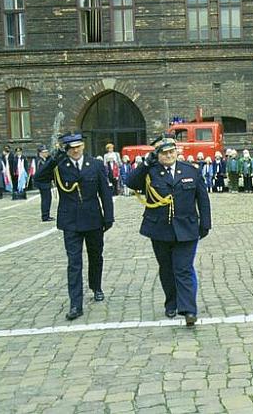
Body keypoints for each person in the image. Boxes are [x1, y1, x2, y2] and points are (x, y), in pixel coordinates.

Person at [126, 136, 211, 326]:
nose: (169, 155)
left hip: (187, 228)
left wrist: (205, 223)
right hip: (160, 229)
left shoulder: (191, 171)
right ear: (157, 155)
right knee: (166, 268)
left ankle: (189, 309)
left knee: (183, 268)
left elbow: (203, 199)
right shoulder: (150, 173)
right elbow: (130, 182)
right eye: (164, 153)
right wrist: (145, 164)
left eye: (172, 151)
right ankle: (171, 303)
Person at [34, 132, 114, 321]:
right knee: (74, 262)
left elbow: (105, 192)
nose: (75, 150)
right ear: (66, 149)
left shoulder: (95, 164)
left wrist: (108, 216)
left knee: (96, 256)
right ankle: (75, 303)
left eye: (78, 146)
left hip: (93, 219)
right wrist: (53, 160)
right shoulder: (60, 165)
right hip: (70, 221)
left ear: (83, 146)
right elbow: (39, 178)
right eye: (71, 147)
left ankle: (96, 286)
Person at [30, 145, 54, 221]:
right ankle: (45, 216)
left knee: (48, 199)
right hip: (43, 183)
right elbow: (38, 172)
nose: (46, 153)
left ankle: (47, 215)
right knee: (46, 199)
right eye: (44, 152)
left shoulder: (46, 160)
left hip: (46, 182)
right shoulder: (39, 161)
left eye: (47, 151)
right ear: (40, 153)